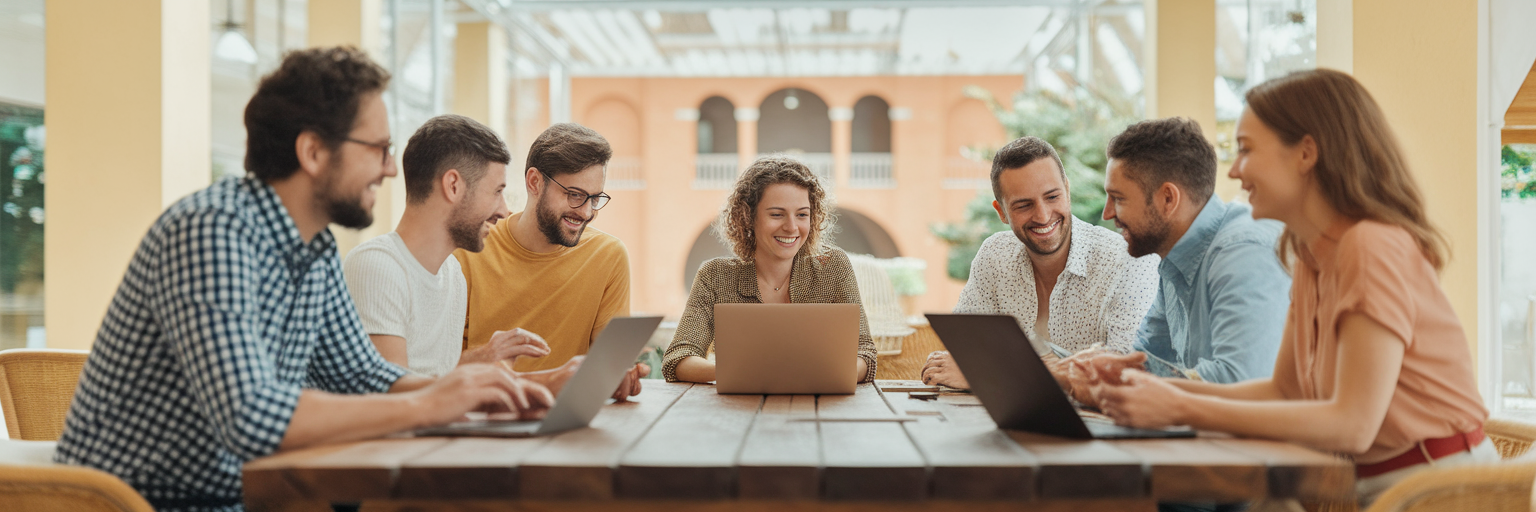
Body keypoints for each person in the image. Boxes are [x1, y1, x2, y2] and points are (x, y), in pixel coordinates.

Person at [53, 47, 552, 510]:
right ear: (313, 151)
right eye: (378, 149)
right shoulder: (211, 231)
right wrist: (432, 403)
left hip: (243, 497)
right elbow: (251, 415)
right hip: (141, 502)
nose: (387, 170)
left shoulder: (315, 249)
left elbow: (364, 375)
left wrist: (481, 394)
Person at [1091, 69, 1492, 506]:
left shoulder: (1369, 245)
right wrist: (1144, 388)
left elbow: (1353, 425)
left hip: (1437, 489)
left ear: (1305, 153)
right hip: (1359, 485)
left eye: (1246, 149)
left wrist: (1179, 405)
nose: (1235, 170)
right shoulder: (1307, 252)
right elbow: (1281, 391)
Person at [1054, 117, 1291, 406]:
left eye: (1118, 198)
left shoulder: (1243, 253)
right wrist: (1084, 368)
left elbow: (1240, 381)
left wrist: (1112, 379)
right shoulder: (1175, 259)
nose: (1107, 213)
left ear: (1168, 198)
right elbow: (1145, 359)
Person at [922, 136, 1159, 389]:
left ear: (1067, 190)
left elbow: (1123, 374)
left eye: (1052, 197)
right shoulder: (994, 255)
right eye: (1024, 205)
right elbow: (963, 352)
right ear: (1001, 212)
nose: (1043, 215)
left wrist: (988, 373)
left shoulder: (1129, 261)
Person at [456, 123, 646, 393]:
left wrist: (619, 378)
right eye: (575, 195)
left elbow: (606, 367)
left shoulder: (609, 257)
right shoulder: (471, 250)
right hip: (479, 412)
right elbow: (441, 371)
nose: (586, 212)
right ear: (535, 182)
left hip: (567, 421)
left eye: (594, 198)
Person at [663, 156, 878, 384]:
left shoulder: (832, 266)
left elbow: (864, 352)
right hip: (739, 412)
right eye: (777, 214)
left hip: (818, 408)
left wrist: (831, 375)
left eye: (802, 214)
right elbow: (678, 358)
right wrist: (743, 372)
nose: (792, 227)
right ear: (747, 216)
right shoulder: (715, 276)